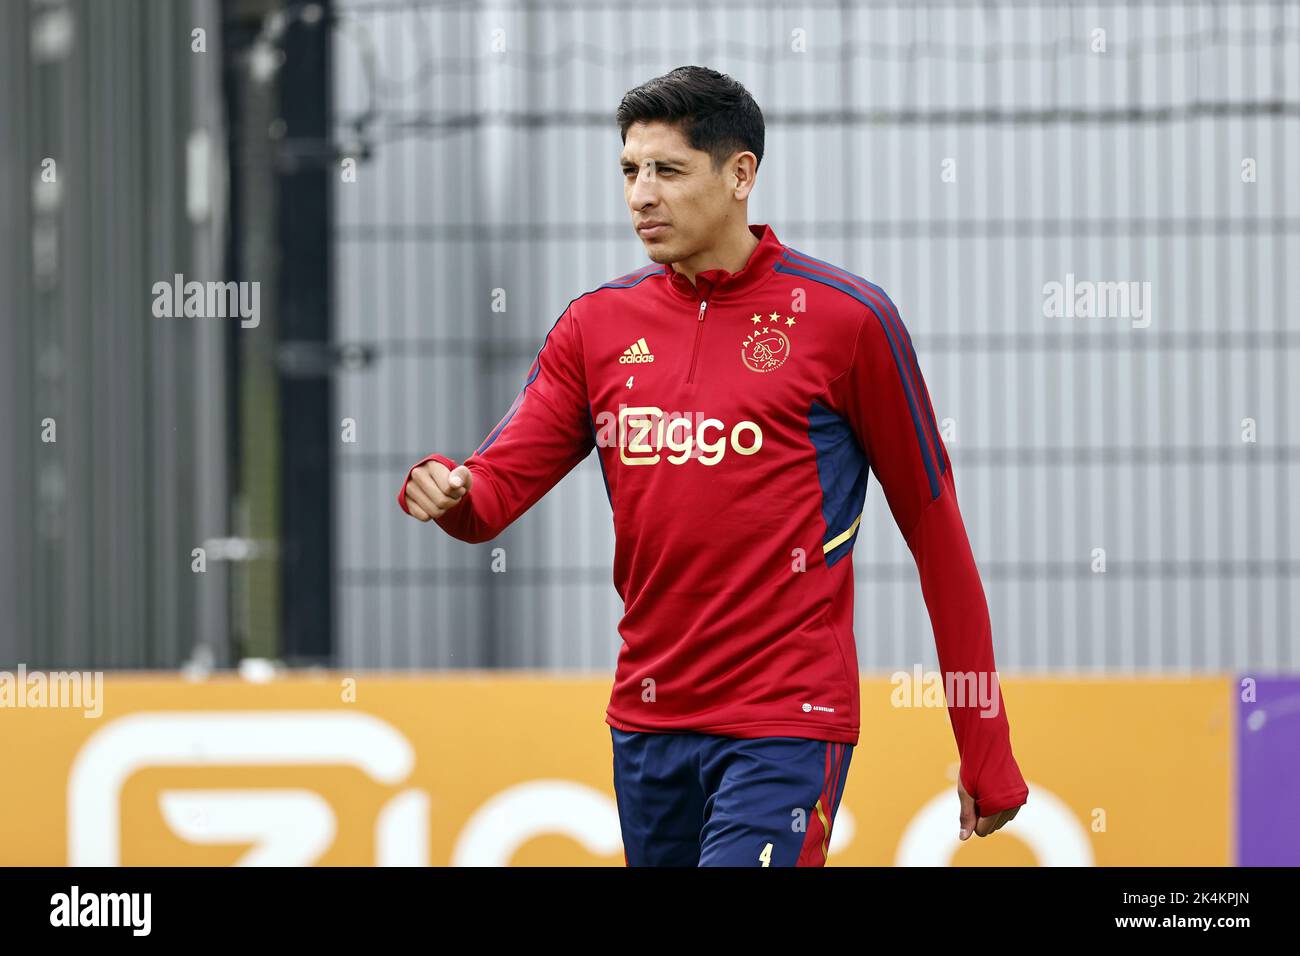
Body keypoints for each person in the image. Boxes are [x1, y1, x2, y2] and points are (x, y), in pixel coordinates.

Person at [398, 65, 1027, 866]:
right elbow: (490, 495)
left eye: (667, 169)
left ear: (740, 175)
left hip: (786, 718)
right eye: (629, 170)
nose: (640, 195)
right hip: (647, 719)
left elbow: (938, 538)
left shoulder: (848, 322)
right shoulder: (595, 327)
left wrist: (985, 743)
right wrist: (449, 489)